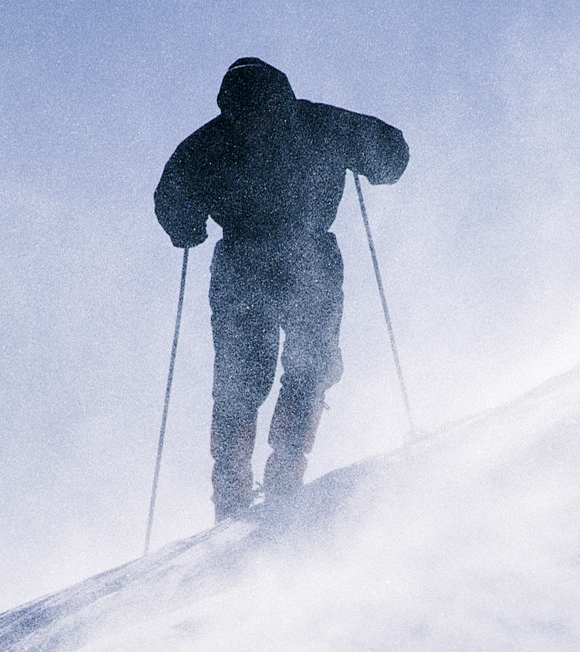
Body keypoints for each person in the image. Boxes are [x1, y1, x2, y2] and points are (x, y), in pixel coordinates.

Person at [153, 58, 409, 522]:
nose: (253, 123)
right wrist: (381, 161)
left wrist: (186, 228)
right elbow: (389, 150)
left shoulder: (209, 144)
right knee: (301, 363)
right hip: (296, 256)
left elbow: (172, 197)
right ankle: (277, 470)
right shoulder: (316, 122)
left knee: (246, 377)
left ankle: (242, 483)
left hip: (252, 263)